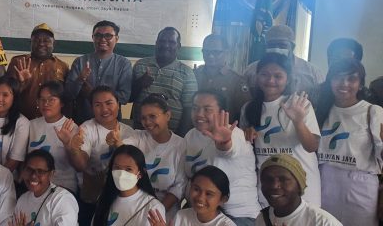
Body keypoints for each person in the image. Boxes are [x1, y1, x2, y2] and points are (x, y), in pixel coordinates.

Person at [240, 53, 321, 206]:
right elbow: (244, 150)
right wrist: (245, 137)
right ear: (257, 77)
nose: (271, 80)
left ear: (287, 79)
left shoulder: (299, 103)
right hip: (268, 184)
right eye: (265, 74)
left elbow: (311, 146)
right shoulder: (249, 108)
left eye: (278, 76)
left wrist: (298, 121)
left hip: (301, 184)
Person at [315, 59, 382, 225]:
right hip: (324, 184)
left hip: (361, 187)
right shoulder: (321, 110)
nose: (344, 83)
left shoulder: (372, 111)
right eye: (338, 77)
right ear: (330, 81)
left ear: (360, 84)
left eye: (351, 78)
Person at [184, 90, 259, 226]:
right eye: (195, 108)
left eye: (207, 109)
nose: (199, 114)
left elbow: (229, 150)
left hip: (237, 215)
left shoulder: (235, 135)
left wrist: (224, 143)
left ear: (221, 113)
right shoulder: (191, 135)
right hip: (203, 211)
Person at [66, 85, 137, 224]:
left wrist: (118, 144)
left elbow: (132, 167)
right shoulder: (86, 128)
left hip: (119, 198)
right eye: (97, 105)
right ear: (92, 108)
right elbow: (81, 165)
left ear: (118, 104)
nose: (104, 109)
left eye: (109, 103)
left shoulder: (130, 132)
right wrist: (74, 149)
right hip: (91, 197)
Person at [123, 94, 186, 220]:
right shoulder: (138, 136)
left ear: (167, 115)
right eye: (143, 118)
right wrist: (115, 143)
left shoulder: (181, 145)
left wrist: (157, 212)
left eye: (152, 116)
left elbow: (179, 186)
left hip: (166, 212)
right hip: (137, 207)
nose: (147, 122)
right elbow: (123, 150)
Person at [131, 27, 198, 136]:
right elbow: (129, 98)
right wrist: (140, 84)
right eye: (162, 41)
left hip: (172, 137)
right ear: (156, 43)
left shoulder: (187, 73)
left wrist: (180, 138)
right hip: (141, 134)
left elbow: (189, 109)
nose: (166, 45)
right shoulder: (141, 65)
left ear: (178, 46)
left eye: (171, 42)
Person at [65, 20, 131, 124]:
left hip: (111, 124)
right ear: (93, 38)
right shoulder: (80, 62)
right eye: (98, 35)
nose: (103, 39)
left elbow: (124, 97)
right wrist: (80, 80)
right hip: (81, 122)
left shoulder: (123, 64)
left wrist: (93, 94)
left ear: (116, 39)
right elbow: (68, 94)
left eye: (108, 35)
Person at [91, 144, 166, 226]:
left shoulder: (153, 206)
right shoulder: (104, 199)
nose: (121, 174)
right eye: (117, 167)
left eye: (128, 169)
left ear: (140, 173)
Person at [243, 25, 324, 99]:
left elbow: (321, 101)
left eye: (282, 45)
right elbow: (243, 97)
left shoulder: (312, 72)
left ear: (292, 47)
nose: (276, 48)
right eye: (271, 45)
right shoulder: (252, 70)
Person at [257, 155, 341, 226]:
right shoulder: (262, 219)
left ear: (299, 185)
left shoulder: (323, 222)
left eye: (283, 179)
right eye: (268, 179)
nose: (274, 186)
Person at [8, 23, 69, 119]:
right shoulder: (18, 62)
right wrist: (21, 83)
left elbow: (65, 98)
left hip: (50, 123)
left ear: (54, 43)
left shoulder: (63, 66)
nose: (41, 44)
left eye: (46, 40)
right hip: (22, 120)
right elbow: (7, 94)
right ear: (30, 42)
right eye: (36, 40)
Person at [27, 80, 79, 194]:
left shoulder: (71, 127)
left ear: (61, 103)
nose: (46, 103)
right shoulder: (31, 125)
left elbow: (78, 166)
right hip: (35, 185)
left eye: (51, 99)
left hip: (62, 187)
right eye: (42, 99)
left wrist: (67, 145)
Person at [12, 149, 78, 226]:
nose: (33, 175)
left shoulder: (62, 199)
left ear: (51, 174)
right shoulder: (22, 200)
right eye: (29, 170)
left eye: (40, 171)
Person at [195, 34, 250, 123]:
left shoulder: (236, 81)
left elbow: (245, 113)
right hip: (196, 131)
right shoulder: (194, 75)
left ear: (226, 52)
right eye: (206, 51)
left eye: (216, 52)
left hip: (224, 133)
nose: (210, 56)